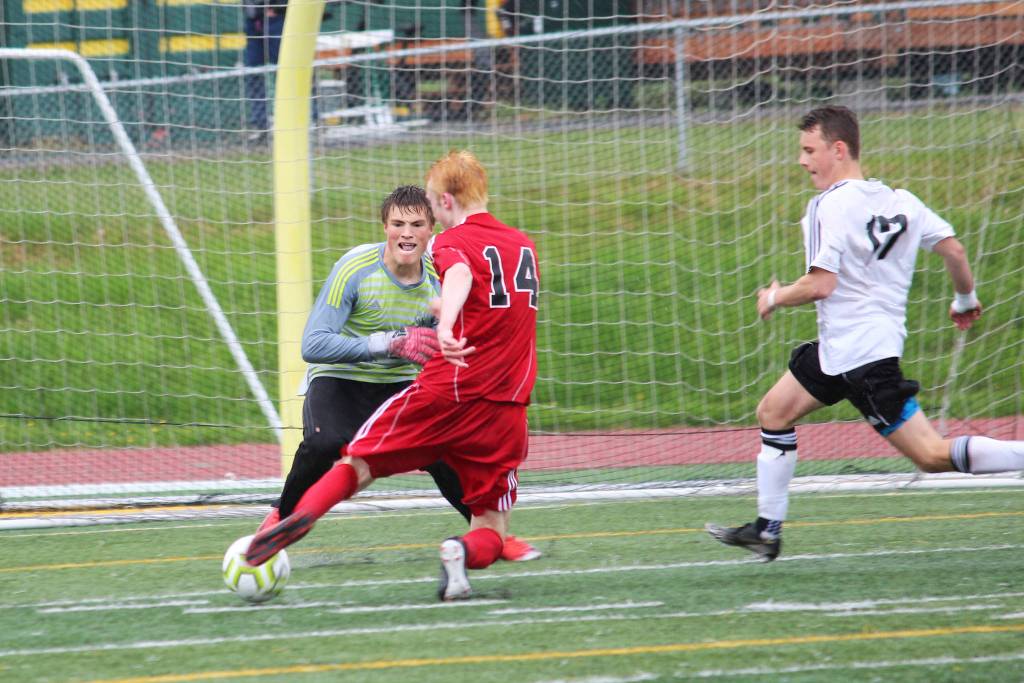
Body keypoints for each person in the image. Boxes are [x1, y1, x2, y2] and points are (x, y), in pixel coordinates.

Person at [706, 106, 1024, 562]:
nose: (802, 160)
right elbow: (953, 248)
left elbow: (821, 284)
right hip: (842, 352)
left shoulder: (827, 206)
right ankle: (766, 530)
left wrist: (774, 297)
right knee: (774, 411)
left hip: (864, 362)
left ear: (839, 149)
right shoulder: (903, 202)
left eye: (809, 149)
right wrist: (964, 300)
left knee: (931, 456)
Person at [247, 151, 541, 600]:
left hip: (422, 385)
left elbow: (459, 282)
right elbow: (312, 345)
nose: (407, 233)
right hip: (348, 378)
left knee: (389, 461)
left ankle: (309, 515)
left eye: (417, 224)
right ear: (384, 227)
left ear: (432, 225)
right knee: (327, 443)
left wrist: (437, 329)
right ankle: (284, 517)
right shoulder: (358, 267)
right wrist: (389, 341)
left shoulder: (440, 264)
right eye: (398, 224)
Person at [243, 0, 286, 142]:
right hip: (253, 20)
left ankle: (304, 120)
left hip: (276, 18)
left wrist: (276, 7)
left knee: (286, 71)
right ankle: (261, 126)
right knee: (253, 73)